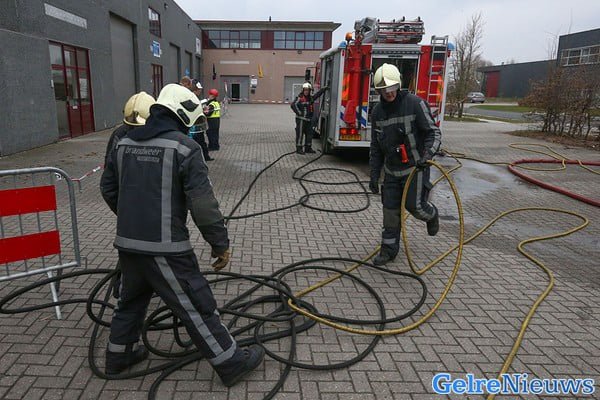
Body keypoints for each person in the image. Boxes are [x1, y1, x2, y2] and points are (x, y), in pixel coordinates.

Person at [100, 83, 264, 385]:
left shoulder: (123, 144)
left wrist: (132, 220)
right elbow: (203, 205)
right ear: (182, 114)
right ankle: (231, 363)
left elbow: (108, 189)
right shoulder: (186, 148)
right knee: (196, 305)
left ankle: (119, 356)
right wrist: (219, 244)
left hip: (128, 245)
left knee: (130, 302)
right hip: (167, 248)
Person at [369, 63, 441, 266]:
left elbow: (433, 133)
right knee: (390, 212)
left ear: (398, 85)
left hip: (415, 168)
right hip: (392, 172)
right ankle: (388, 251)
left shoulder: (415, 104)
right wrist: (374, 175)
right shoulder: (377, 113)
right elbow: (375, 147)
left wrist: (427, 155)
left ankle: (432, 215)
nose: (389, 93)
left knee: (414, 206)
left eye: (392, 88)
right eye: (384, 90)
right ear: (378, 91)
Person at [104, 92, 155, 165]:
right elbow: (109, 162)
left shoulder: (160, 136)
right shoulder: (118, 134)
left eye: (139, 127)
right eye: (132, 127)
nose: (135, 130)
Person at [290, 82, 327, 154]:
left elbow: (317, 95)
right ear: (303, 90)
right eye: (305, 90)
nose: (306, 92)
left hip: (309, 120)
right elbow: (293, 105)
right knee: (300, 134)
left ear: (310, 91)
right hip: (301, 120)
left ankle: (308, 148)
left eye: (307, 90)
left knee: (309, 134)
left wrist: (323, 89)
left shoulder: (311, 98)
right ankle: (299, 149)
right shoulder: (299, 98)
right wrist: (299, 113)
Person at [189, 79, 213, 161]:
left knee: (201, 142)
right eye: (199, 89)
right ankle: (202, 157)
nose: (200, 91)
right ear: (196, 89)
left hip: (198, 125)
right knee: (199, 142)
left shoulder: (195, 97)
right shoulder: (191, 97)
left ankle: (205, 157)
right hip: (195, 126)